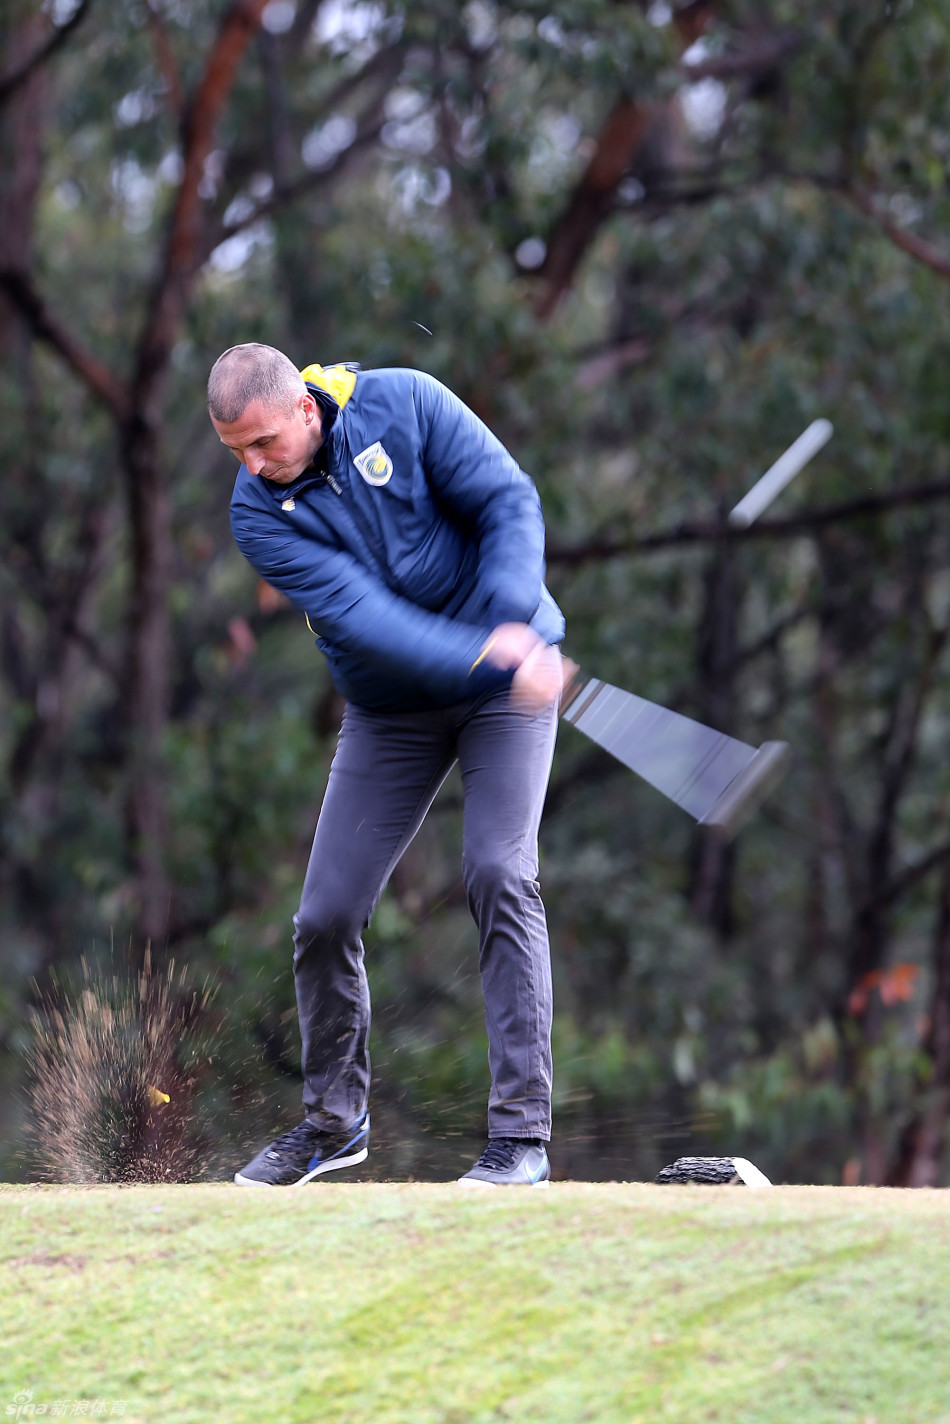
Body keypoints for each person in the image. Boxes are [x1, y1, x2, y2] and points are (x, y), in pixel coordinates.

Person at [208, 343, 565, 1187]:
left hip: (504, 695)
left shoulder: (405, 404)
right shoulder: (258, 516)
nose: (254, 468)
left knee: (499, 872)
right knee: (324, 916)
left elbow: (508, 502)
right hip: (391, 710)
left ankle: (521, 1139)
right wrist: (489, 651)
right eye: (235, 454)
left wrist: (513, 620)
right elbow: (365, 618)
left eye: (263, 444)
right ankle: (335, 1125)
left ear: (303, 408)